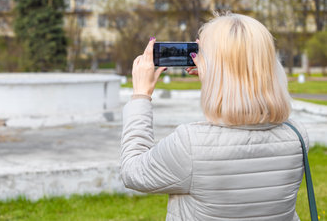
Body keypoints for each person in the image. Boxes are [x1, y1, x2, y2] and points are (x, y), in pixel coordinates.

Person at [121, 13, 308, 221]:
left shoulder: (191, 144)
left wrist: (140, 96)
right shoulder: (298, 136)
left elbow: (133, 172)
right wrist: (216, 76)